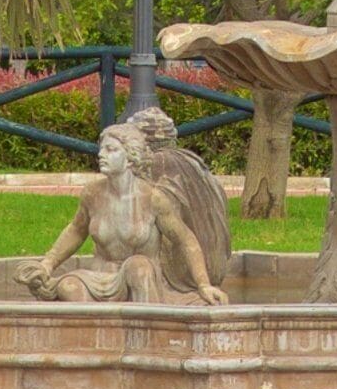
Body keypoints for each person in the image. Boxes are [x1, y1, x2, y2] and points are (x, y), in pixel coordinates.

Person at [21, 121, 232, 304]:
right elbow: (76, 231)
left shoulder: (152, 198)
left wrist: (204, 285)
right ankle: (96, 340)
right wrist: (47, 264)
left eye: (111, 150)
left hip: (141, 277)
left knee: (137, 267)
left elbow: (186, 240)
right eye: (102, 149)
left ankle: (147, 338)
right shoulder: (91, 195)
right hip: (101, 278)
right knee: (68, 286)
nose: (101, 155)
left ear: (130, 157)